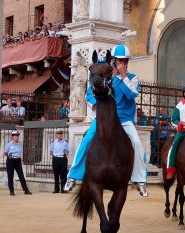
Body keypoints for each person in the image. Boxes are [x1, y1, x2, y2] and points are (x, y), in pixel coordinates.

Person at [64, 44, 149, 197]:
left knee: (136, 142)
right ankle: (73, 175)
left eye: (124, 60)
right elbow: (89, 92)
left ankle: (140, 180)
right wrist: (95, 104)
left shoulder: (132, 78)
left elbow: (131, 95)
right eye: (119, 60)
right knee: (87, 139)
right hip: (104, 118)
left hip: (124, 119)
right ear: (114, 61)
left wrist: (122, 77)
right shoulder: (107, 77)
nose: (122, 63)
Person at [4, 130, 32, 196]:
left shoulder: (20, 143)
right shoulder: (9, 144)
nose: (17, 137)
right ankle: (11, 191)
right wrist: (10, 156)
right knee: (10, 176)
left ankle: (26, 190)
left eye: (18, 135)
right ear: (13, 137)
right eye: (16, 135)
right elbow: (5, 153)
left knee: (21, 176)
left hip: (18, 161)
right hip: (10, 160)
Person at [50, 129, 69, 193]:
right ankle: (56, 189)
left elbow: (67, 151)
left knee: (63, 175)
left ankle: (63, 189)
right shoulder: (53, 142)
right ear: (56, 135)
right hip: (56, 159)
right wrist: (54, 157)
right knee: (56, 175)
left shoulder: (65, 142)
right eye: (58, 134)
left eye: (61, 134)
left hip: (63, 159)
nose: (60, 135)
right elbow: (51, 151)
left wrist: (65, 157)